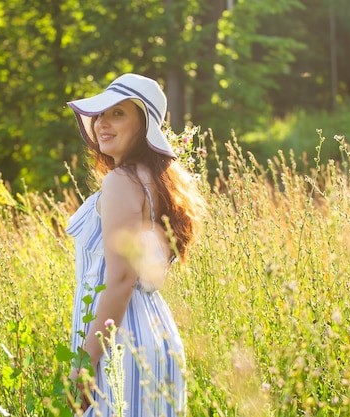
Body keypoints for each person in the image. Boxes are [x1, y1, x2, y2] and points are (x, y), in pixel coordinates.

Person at [65, 73, 206, 416]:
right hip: (152, 336)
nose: (101, 123)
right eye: (100, 114)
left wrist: (85, 365)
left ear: (143, 126)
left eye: (118, 113)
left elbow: (122, 279)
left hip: (121, 342)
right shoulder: (155, 182)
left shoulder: (120, 181)